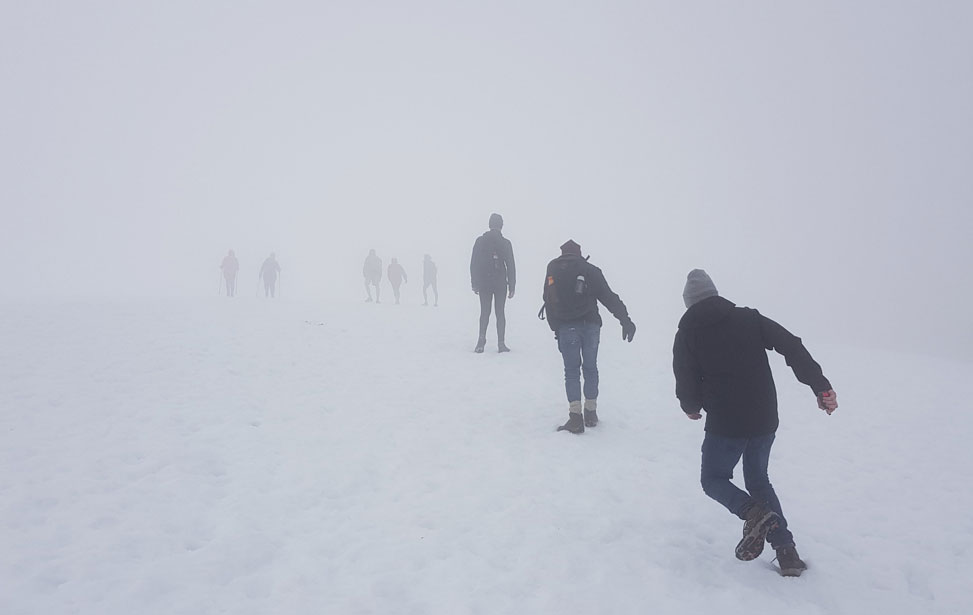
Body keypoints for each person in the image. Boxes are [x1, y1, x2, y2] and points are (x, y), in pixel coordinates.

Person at [672, 269, 838, 577]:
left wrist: (691, 406)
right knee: (758, 480)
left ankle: (752, 512)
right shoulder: (748, 318)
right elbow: (792, 345)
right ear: (715, 293)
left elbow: (685, 379)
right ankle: (786, 552)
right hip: (764, 418)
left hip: (726, 424)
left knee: (713, 479)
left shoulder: (687, 335)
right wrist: (820, 385)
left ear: (688, 302)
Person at [541, 240, 636, 434]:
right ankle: (591, 412)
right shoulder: (589, 269)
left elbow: (548, 300)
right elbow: (608, 297)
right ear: (579, 253)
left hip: (566, 328)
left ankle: (575, 417)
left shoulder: (553, 268)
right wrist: (625, 320)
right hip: (591, 325)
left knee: (572, 370)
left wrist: (555, 329)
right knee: (590, 367)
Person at [470, 213, 515, 353]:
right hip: (500, 282)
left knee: (485, 312)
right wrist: (512, 285)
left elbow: (474, 263)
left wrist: (474, 282)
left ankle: (481, 341)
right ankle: (501, 344)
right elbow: (510, 265)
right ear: (501, 225)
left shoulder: (480, 241)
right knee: (500, 312)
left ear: (489, 225)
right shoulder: (505, 243)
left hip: (484, 282)